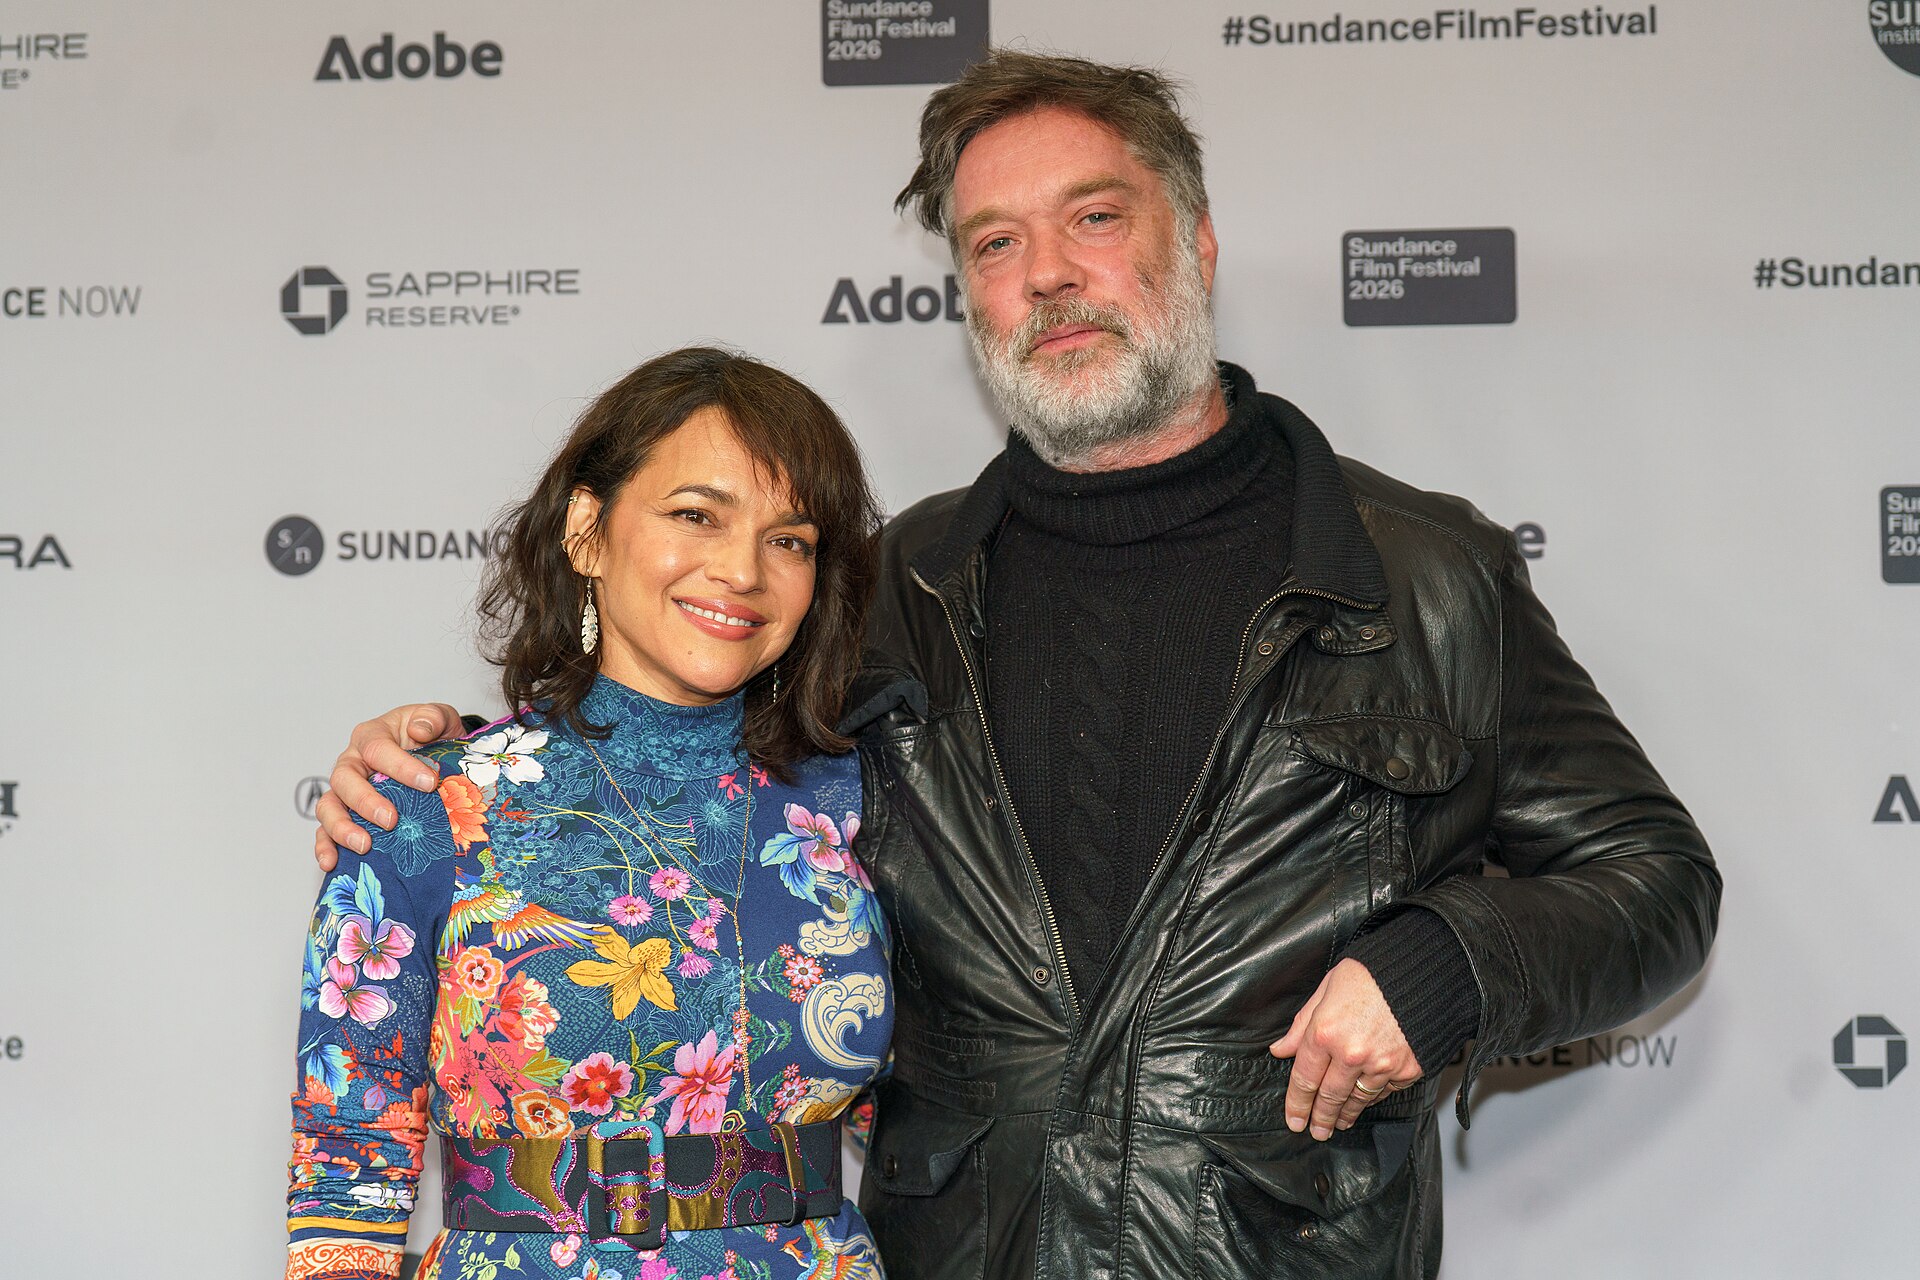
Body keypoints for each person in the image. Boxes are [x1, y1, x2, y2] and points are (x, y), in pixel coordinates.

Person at [314, 52, 1721, 1280]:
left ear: (1200, 239)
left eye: (1093, 220)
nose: (1045, 274)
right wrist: (415, 757)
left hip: (1283, 1252)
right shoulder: (886, 593)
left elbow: (1655, 880)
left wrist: (1449, 965)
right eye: (993, 244)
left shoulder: (1426, 578)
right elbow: (645, 759)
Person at [288, 348, 891, 1280]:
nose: (742, 570)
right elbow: (349, 1151)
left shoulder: (861, 804)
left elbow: (950, 1105)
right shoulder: (423, 807)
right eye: (696, 515)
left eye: (790, 540)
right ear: (586, 531)